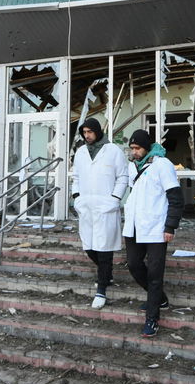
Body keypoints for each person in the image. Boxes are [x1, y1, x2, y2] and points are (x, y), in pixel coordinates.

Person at [122, 129, 184, 337]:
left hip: (156, 228)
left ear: (147, 147)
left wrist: (170, 227)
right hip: (134, 227)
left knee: (155, 274)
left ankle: (152, 318)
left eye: (137, 148)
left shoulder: (162, 165)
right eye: (132, 148)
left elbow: (175, 198)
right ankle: (160, 299)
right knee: (133, 264)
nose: (135, 152)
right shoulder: (133, 166)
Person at [70, 117, 129, 309]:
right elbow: (76, 177)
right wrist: (77, 197)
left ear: (98, 131)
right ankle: (107, 274)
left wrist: (114, 199)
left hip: (106, 206)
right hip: (86, 206)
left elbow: (122, 177)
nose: (87, 136)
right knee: (89, 247)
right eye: (84, 132)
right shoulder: (80, 153)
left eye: (90, 132)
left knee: (104, 250)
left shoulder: (113, 151)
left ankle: (101, 289)